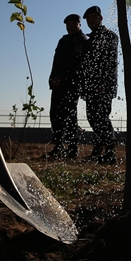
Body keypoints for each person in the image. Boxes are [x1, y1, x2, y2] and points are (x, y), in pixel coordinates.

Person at [81, 5, 119, 165]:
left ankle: (110, 154)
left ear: (100, 18)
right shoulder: (91, 39)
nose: (90, 21)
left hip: (103, 86)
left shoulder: (109, 36)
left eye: (93, 17)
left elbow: (109, 63)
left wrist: (104, 84)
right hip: (91, 87)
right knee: (93, 118)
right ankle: (97, 152)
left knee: (101, 118)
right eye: (88, 19)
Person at [48, 14, 89, 159]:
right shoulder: (63, 40)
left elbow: (76, 65)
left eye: (73, 23)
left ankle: (72, 148)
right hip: (58, 84)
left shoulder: (82, 41)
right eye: (68, 24)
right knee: (55, 114)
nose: (70, 26)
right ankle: (58, 145)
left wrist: (62, 79)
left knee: (69, 116)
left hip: (71, 84)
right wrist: (52, 79)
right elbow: (56, 62)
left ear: (79, 24)